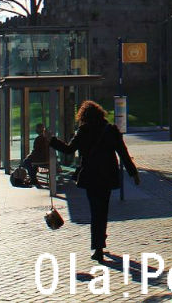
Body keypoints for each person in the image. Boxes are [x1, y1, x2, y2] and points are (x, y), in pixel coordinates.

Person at [49, 101, 140, 262]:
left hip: (91, 176)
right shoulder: (111, 130)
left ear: (83, 116)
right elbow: (123, 153)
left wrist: (53, 141)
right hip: (107, 175)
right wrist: (133, 173)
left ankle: (98, 247)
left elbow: (69, 150)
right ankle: (100, 242)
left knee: (95, 211)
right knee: (102, 210)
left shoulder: (84, 131)